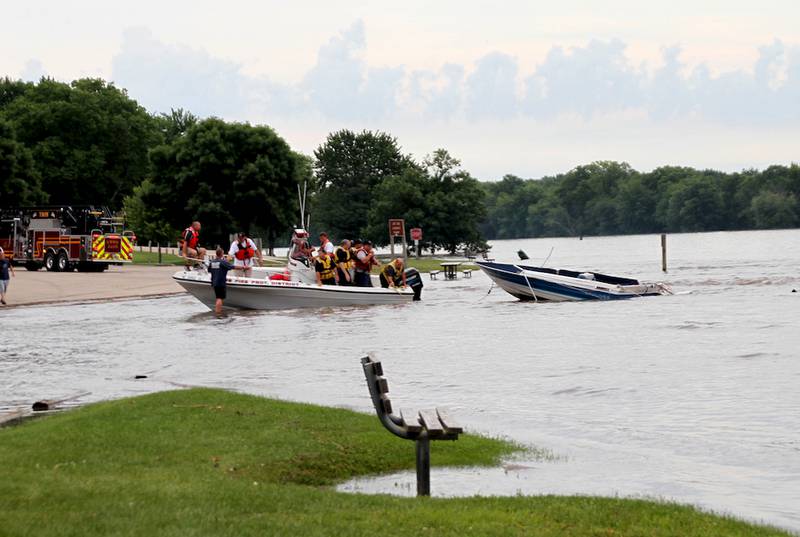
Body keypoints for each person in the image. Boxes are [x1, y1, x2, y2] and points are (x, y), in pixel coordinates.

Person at [207, 247, 234, 314]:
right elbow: (232, 267)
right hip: (221, 282)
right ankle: (218, 313)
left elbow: (209, 270)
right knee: (219, 298)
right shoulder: (223, 262)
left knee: (218, 297)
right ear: (222, 254)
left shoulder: (212, 262)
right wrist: (244, 267)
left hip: (214, 282)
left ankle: (217, 311)